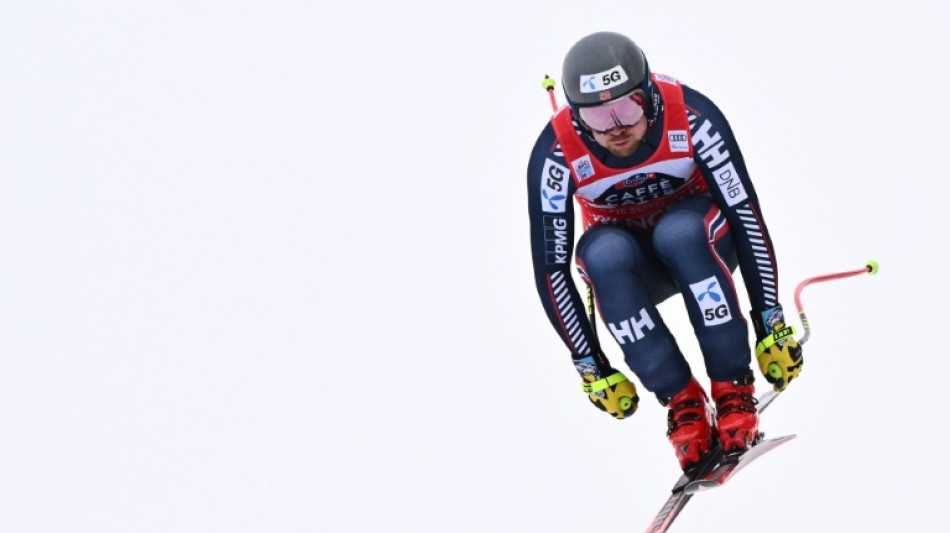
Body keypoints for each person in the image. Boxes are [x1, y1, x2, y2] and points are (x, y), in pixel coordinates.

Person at [527, 31, 803, 471]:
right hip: (634, 269)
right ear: (577, 116)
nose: (615, 127)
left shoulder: (691, 116)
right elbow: (552, 270)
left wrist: (771, 323)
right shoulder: (557, 153)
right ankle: (683, 403)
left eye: (627, 108)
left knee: (678, 232)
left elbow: (745, 215)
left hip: (703, 244)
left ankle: (732, 389)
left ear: (650, 94)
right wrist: (591, 366)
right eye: (596, 116)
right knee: (599, 254)